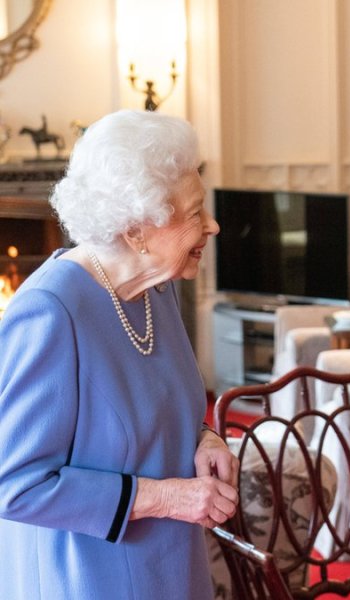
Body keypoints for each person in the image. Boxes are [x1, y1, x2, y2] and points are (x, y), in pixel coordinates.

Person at [0, 110, 239, 599]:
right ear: (137, 231)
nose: (212, 225)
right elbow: (15, 484)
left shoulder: (156, 288)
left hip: (171, 563)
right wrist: (168, 497)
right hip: (88, 576)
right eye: (195, 213)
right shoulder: (50, 312)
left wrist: (205, 437)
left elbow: (164, 405)